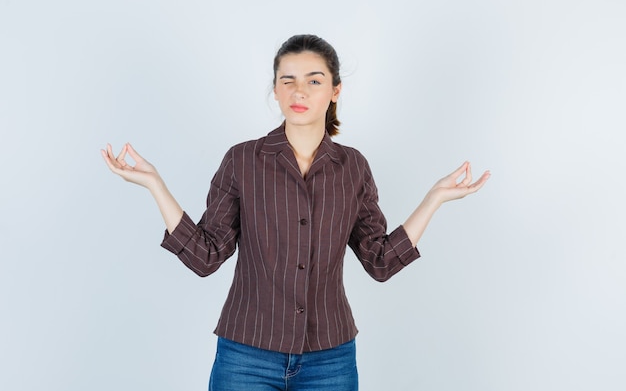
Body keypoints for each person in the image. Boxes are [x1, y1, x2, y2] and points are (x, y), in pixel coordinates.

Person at [101, 34, 490, 391]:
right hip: (246, 355)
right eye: (287, 79)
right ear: (275, 89)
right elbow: (205, 257)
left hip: (330, 359)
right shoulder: (242, 161)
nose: (298, 90)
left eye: (314, 80)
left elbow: (380, 261)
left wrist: (434, 198)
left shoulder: (353, 167)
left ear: (336, 90)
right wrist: (155, 183)